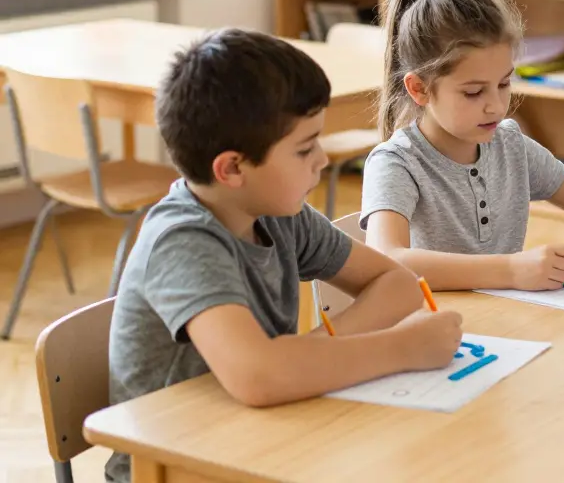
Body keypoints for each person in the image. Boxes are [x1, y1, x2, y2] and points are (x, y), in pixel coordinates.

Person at [106, 29, 463, 483]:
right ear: (233, 168)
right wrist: (401, 348)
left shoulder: (277, 214)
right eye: (303, 148)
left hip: (262, 444)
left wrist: (305, 356)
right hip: (175, 465)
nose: (322, 161)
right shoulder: (182, 242)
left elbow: (397, 284)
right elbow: (258, 377)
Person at [361, 0, 564, 291]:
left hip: (507, 325)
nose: (495, 106)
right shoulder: (396, 163)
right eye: (474, 92)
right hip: (435, 329)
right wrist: (512, 271)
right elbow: (389, 261)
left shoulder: (511, 146)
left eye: (504, 84)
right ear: (419, 89)